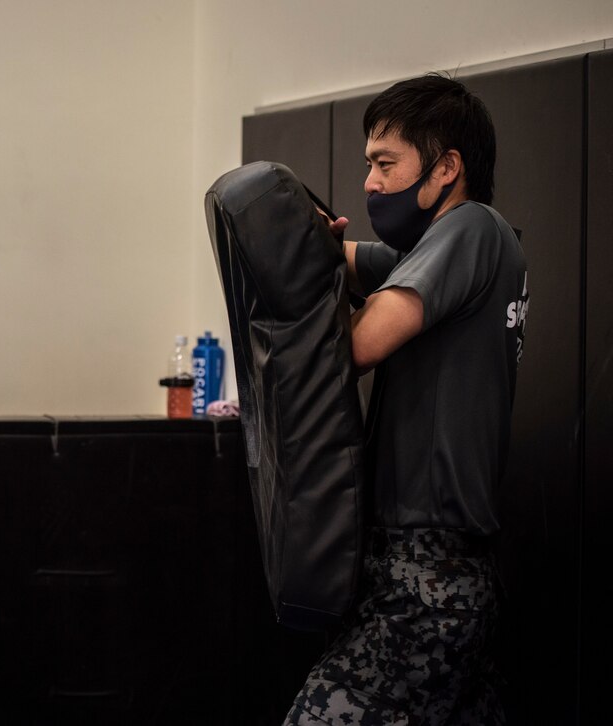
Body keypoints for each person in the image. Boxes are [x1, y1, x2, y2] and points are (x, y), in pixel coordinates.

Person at [285, 74, 528, 724]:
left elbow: (358, 346)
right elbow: (344, 257)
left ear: (447, 168)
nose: (370, 182)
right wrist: (306, 243)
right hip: (449, 569)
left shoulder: (471, 228)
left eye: (386, 163)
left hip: (426, 579)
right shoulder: (444, 249)